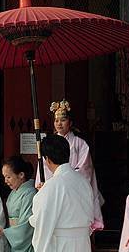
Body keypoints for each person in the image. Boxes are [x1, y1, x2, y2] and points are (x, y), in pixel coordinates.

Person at [35, 99, 103, 231]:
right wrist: (46, 184)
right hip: (53, 189)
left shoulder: (79, 143)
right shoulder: (49, 144)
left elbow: (85, 168)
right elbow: (44, 166)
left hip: (75, 190)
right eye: (56, 120)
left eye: (63, 120)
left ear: (70, 123)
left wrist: (66, 179)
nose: (59, 123)